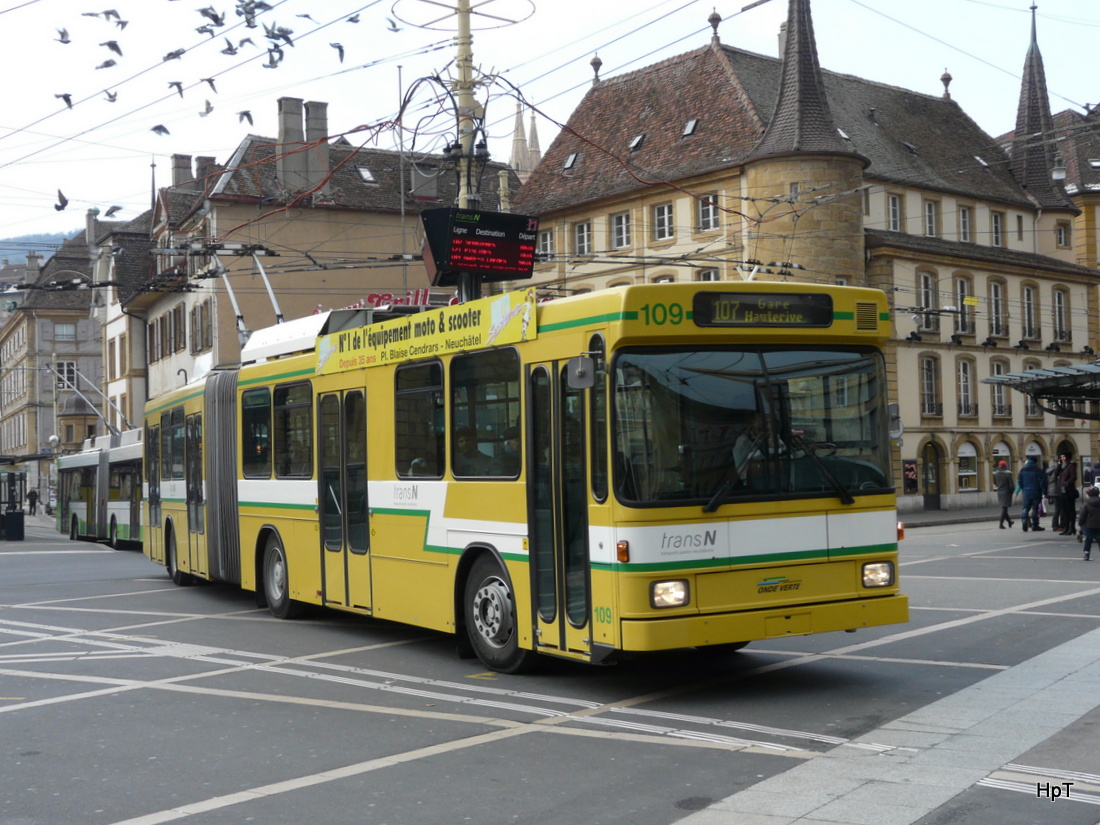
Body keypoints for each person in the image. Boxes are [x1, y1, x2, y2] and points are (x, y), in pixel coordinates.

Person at [1017, 456, 1047, 532]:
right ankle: (1035, 525)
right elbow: (1042, 482)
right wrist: (1044, 491)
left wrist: (1024, 488)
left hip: (1026, 492)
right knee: (1035, 508)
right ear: (1035, 462)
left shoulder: (1022, 470)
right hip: (1036, 491)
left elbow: (1020, 482)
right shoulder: (1037, 470)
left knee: (1025, 508)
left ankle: (1024, 520)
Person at [1058, 453, 1079, 535]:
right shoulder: (1062, 467)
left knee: (1070, 510)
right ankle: (1066, 528)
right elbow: (1056, 474)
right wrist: (1059, 465)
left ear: (1067, 457)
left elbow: (1074, 477)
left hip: (1069, 490)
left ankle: (1072, 527)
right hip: (1062, 491)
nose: (1062, 458)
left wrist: (1066, 483)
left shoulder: (1071, 466)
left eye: (1063, 456)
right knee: (1064, 510)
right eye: (1061, 456)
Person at [1078, 486, 1100, 561]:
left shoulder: (1086, 504)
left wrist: (1080, 524)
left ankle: (1086, 554)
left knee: (1088, 540)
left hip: (1089, 525)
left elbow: (1082, 515)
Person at [993, 461, 1014, 529]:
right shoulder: (1008, 474)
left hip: (1000, 491)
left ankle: (1009, 522)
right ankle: (1001, 524)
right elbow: (1011, 484)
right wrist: (1012, 491)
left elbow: (996, 483)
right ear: (1005, 466)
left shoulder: (996, 473)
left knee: (1004, 507)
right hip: (1006, 492)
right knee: (1004, 508)